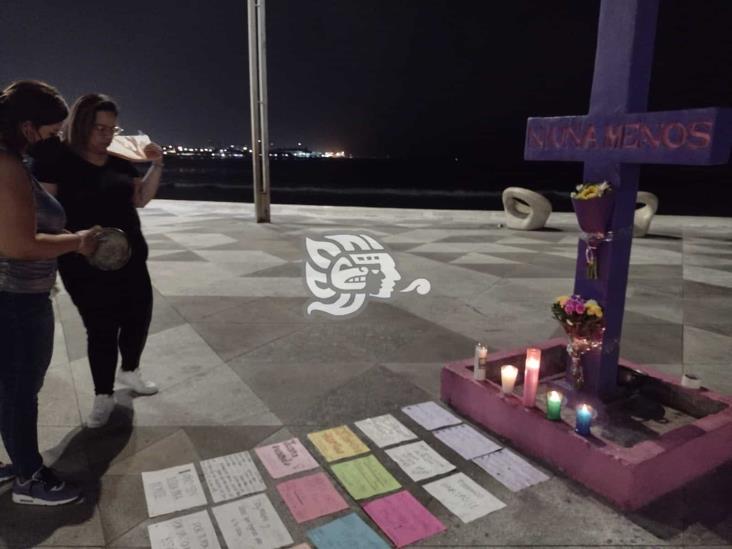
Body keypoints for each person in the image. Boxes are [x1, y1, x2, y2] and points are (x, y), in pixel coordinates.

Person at [32, 94, 163, 429]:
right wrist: (72, 244)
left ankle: (130, 370)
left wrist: (157, 166)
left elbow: (141, 199)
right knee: (101, 327)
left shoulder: (120, 162)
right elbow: (45, 214)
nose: (106, 135)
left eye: (111, 128)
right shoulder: (58, 161)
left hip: (131, 255)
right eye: (99, 128)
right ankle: (103, 394)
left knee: (138, 316)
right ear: (81, 125)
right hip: (83, 260)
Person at [0, 80, 100, 505]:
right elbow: (19, 245)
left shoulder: (11, 161)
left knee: (9, 386)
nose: (55, 138)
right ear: (27, 126)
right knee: (22, 388)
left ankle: (20, 463)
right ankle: (29, 478)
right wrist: (78, 241)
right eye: (52, 130)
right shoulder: (6, 165)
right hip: (16, 298)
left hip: (13, 296)